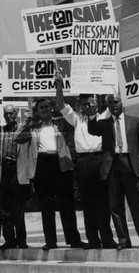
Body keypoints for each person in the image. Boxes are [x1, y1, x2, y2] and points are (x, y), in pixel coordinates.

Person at [55, 72, 117, 250]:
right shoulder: (77, 119)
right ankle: (93, 240)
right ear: (79, 106)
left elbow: (113, 95)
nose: (87, 106)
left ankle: (107, 239)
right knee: (87, 203)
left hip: (100, 159)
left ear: (96, 102)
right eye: (83, 104)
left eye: (90, 103)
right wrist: (59, 84)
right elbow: (61, 104)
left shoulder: (104, 115)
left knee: (102, 202)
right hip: (82, 163)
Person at [16, 98, 85, 250]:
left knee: (66, 204)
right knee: (46, 206)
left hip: (60, 164)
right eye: (41, 107)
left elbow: (73, 122)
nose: (45, 109)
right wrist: (27, 120)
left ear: (51, 108)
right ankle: (51, 241)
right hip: (41, 166)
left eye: (47, 106)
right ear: (37, 111)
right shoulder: (33, 127)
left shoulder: (60, 122)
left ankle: (74, 240)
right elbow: (18, 138)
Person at [87, 94, 139, 250]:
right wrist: (91, 114)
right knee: (115, 206)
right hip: (112, 167)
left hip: (131, 166)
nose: (113, 105)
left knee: (138, 205)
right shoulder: (104, 124)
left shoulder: (134, 121)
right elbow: (92, 130)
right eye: (109, 103)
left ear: (122, 102)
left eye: (115, 102)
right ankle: (123, 240)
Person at [0, 104, 31, 250]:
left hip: (18, 170)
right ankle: (9, 240)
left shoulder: (22, 128)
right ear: (3, 115)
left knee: (19, 209)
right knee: (4, 209)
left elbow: (28, 139)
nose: (9, 116)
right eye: (6, 114)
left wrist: (29, 120)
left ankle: (21, 240)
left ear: (16, 114)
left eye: (11, 113)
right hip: (2, 171)